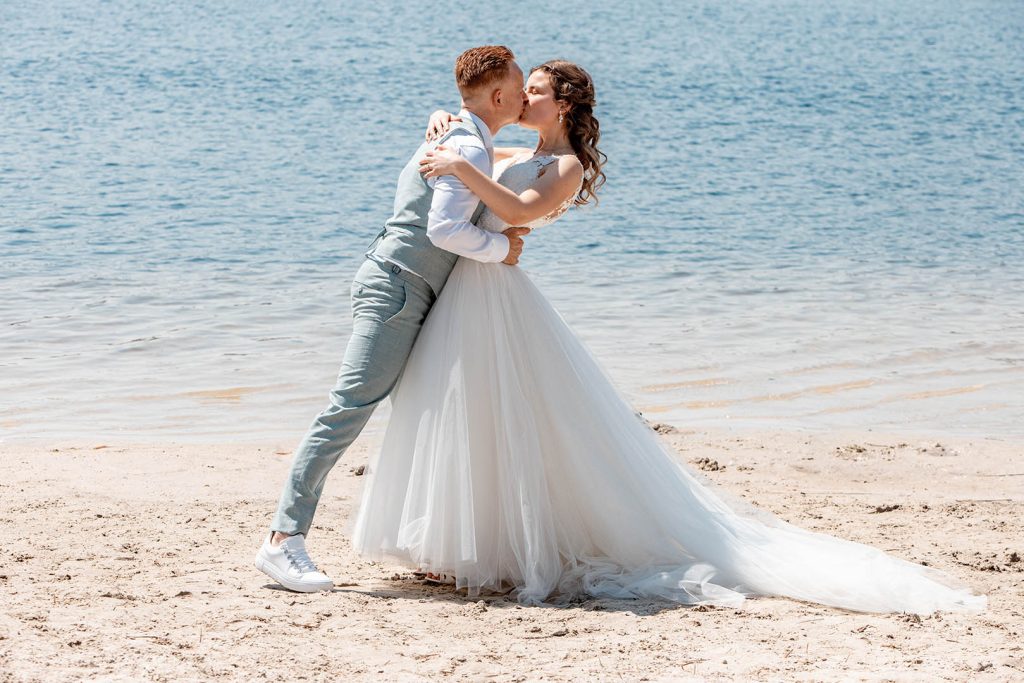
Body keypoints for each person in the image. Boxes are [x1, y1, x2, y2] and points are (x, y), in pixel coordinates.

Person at [348, 60, 986, 614]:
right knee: (465, 414)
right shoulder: (520, 153)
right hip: (469, 290)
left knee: (518, 421)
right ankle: (463, 547)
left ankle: (501, 550)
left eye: (534, 89)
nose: (522, 98)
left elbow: (514, 213)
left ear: (562, 103)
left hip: (497, 300)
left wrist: (459, 158)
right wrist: (446, 121)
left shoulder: (564, 168)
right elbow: (477, 159)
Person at [254, 45, 531, 593]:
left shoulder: (463, 137)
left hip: (408, 285)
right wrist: (504, 250)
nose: (525, 95)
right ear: (499, 96)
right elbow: (445, 232)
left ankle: (435, 541)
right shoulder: (468, 147)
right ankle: (283, 540)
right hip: (398, 287)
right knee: (348, 407)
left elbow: (500, 156)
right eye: (520, 87)